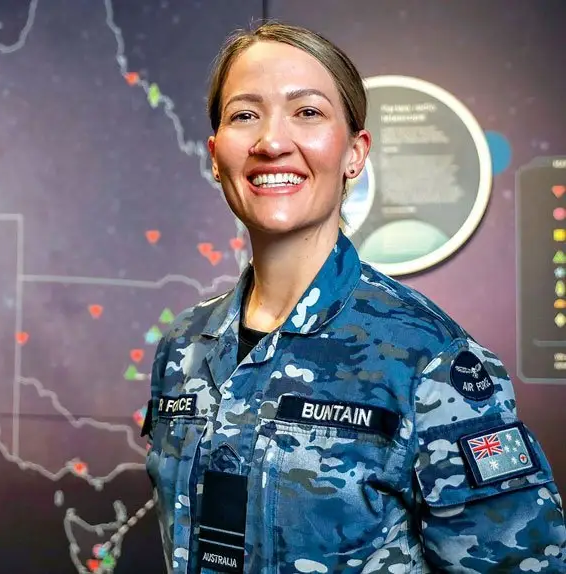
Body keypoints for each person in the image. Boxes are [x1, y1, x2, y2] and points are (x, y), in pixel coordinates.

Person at [141, 20, 566, 574]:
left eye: (308, 112)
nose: (271, 141)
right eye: (245, 115)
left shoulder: (430, 361)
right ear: (217, 155)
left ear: (354, 154)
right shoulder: (182, 348)